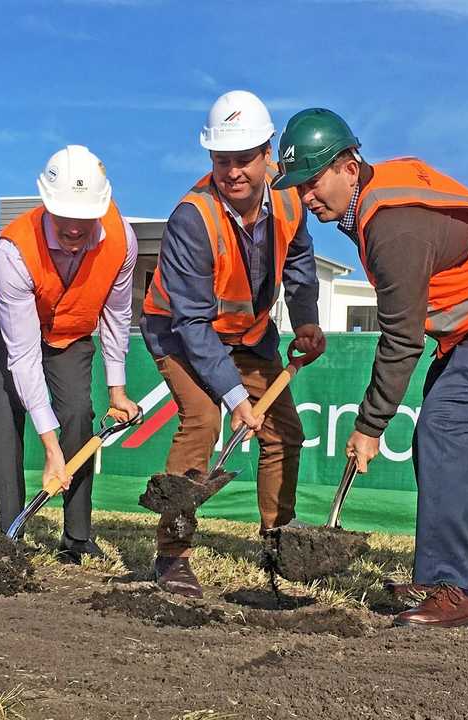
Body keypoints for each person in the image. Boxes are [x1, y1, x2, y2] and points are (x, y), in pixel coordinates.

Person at [272, 108, 468, 628]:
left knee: (444, 423)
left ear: (348, 164)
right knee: (437, 432)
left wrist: (368, 427)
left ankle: (456, 588)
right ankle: (438, 575)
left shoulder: (392, 227)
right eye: (298, 186)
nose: (306, 196)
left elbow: (402, 339)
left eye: (313, 181)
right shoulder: (374, 200)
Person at [141, 91, 325, 597]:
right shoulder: (192, 218)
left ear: (268, 155)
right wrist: (234, 395)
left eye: (245, 159)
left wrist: (305, 320)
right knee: (203, 417)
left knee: (284, 431)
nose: (233, 171)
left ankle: (276, 543)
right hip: (179, 332)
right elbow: (194, 323)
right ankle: (171, 556)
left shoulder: (290, 198)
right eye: (222, 160)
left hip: (249, 334)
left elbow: (301, 263)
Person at [0, 144, 140, 562]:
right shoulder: (14, 250)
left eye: (85, 217)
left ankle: (76, 536)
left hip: (70, 324)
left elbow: (117, 315)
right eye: (64, 214)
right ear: (46, 203)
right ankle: (11, 532)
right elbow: (24, 357)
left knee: (79, 410)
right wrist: (51, 449)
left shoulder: (122, 240)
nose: (75, 227)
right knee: (8, 402)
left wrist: (117, 391)